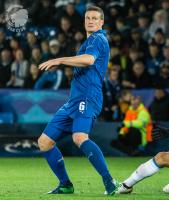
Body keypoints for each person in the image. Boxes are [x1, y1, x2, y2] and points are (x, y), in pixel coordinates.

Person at [37, 6, 118, 195]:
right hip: (73, 100)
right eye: (87, 18)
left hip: (88, 97)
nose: (90, 21)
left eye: (94, 18)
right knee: (44, 142)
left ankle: (109, 181)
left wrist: (59, 60)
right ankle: (65, 184)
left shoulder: (98, 39)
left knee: (79, 137)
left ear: (101, 22)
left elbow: (89, 60)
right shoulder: (89, 40)